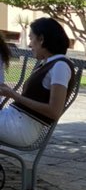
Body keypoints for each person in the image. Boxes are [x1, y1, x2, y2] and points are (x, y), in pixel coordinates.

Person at [0, 18, 76, 148]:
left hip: (21, 128)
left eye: (31, 38)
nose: (29, 44)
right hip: (15, 120)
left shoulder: (60, 66)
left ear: (41, 39)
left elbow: (54, 111)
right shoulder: (49, 63)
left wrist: (14, 95)